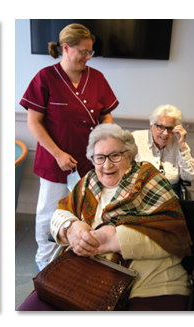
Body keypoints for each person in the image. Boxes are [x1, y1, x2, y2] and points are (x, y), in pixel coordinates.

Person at [18, 124, 191, 311]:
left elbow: (173, 236)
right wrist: (71, 228)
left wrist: (115, 240)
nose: (107, 165)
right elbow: (60, 213)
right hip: (86, 277)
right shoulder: (89, 182)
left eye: (115, 156)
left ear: (129, 156)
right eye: (100, 158)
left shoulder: (149, 179)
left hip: (149, 283)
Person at [22, 23, 119, 271]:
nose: (88, 57)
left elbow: (105, 114)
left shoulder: (96, 78)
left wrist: (104, 140)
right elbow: (33, 122)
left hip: (89, 162)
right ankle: (44, 257)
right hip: (55, 161)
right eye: (83, 52)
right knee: (50, 212)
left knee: (85, 211)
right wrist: (58, 154)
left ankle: (77, 253)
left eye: (90, 52)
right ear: (65, 48)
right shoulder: (45, 77)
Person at [133, 104, 194, 189]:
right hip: (140, 192)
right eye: (160, 127)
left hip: (170, 195)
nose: (165, 133)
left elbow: (191, 176)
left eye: (170, 128)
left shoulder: (179, 144)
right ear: (151, 126)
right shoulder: (136, 139)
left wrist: (182, 146)